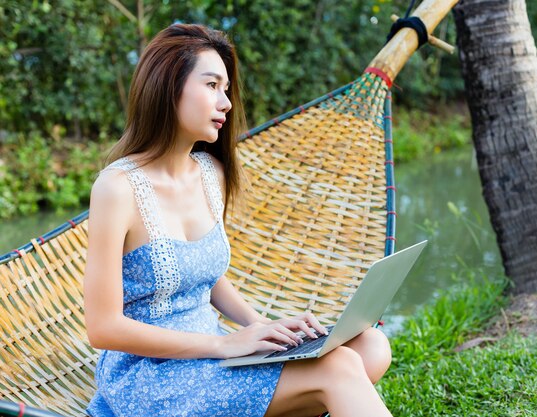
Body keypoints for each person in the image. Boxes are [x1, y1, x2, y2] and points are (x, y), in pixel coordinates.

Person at [83, 23, 393, 417]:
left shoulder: (210, 171)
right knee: (341, 368)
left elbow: (206, 275)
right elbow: (103, 328)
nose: (226, 103)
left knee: (370, 346)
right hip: (152, 377)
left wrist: (264, 327)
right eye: (212, 85)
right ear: (167, 85)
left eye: (226, 89)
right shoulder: (117, 188)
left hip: (212, 355)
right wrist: (225, 344)